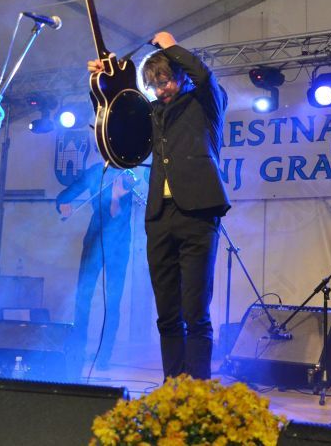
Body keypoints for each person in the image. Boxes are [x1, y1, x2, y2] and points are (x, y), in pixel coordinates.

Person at [87, 31, 230, 380]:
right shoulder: (153, 112)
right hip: (159, 217)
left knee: (195, 312)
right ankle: (172, 386)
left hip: (197, 215)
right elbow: (118, 118)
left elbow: (204, 75)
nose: (160, 90)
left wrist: (170, 46)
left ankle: (197, 391)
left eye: (164, 82)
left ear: (178, 75)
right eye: (154, 86)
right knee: (167, 313)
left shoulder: (205, 102)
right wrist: (102, 82)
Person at [56, 163, 139, 371]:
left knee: (113, 301)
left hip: (119, 245)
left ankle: (104, 356)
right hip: (94, 241)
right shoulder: (97, 171)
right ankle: (77, 351)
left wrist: (116, 197)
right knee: (83, 297)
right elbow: (67, 193)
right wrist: (62, 204)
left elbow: (116, 215)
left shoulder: (129, 175)